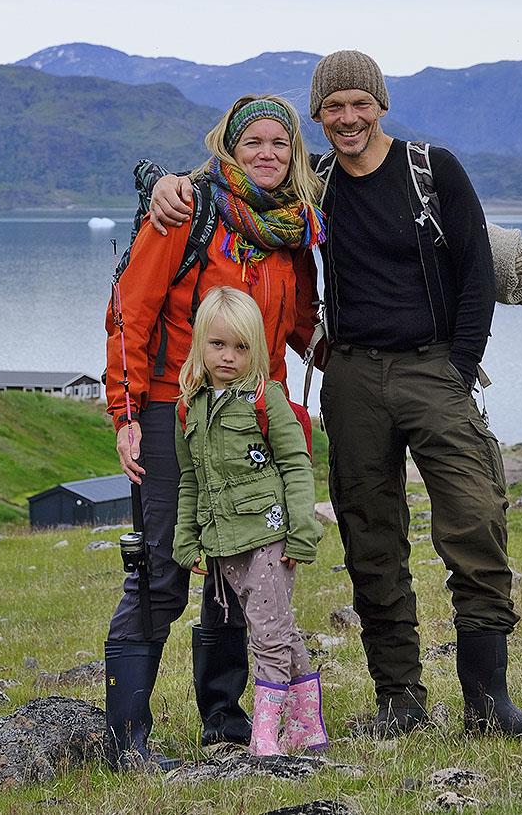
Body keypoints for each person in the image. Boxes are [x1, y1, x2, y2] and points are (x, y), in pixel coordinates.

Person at [146, 51, 522, 740]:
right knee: (372, 541)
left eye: (359, 104)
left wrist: (458, 369)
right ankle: (400, 701)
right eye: (332, 107)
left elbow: (474, 280)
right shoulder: (318, 185)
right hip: (354, 377)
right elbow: (241, 179)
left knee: (475, 521)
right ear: (318, 115)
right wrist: (164, 184)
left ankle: (491, 706)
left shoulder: (433, 170)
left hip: (435, 369)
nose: (347, 118)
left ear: (380, 106)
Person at [104, 95, 324, 768]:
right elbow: (129, 313)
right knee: (163, 570)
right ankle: (127, 742)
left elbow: (300, 329)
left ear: (294, 154)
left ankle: (225, 724)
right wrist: (126, 413)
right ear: (229, 146)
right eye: (252, 141)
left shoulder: (295, 233)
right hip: (179, 411)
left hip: (259, 416)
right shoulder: (185, 212)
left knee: (243, 569)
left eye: (279, 144)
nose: (266, 154)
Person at [173, 286, 326, 755]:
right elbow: (189, 480)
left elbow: (298, 466)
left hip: (270, 536)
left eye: (241, 347)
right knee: (278, 626)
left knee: (268, 633)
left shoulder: (267, 399)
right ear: (200, 343)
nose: (228, 356)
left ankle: (265, 734)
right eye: (218, 344)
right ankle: (307, 726)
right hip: (225, 544)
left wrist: (302, 533)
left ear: (255, 349)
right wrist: (187, 538)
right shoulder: (189, 409)